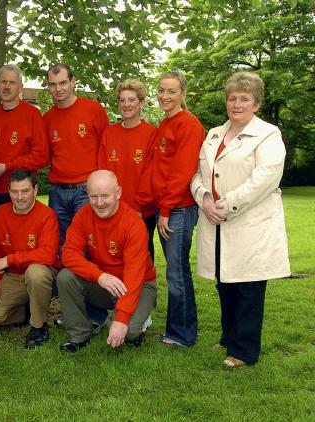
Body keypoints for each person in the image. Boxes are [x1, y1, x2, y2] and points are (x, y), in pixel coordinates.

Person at [190, 72, 290, 367]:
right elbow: (197, 173)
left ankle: (244, 350)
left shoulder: (268, 135)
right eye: (232, 98)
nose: (237, 104)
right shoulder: (213, 135)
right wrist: (204, 198)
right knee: (226, 283)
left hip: (249, 224)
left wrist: (226, 205)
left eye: (244, 99)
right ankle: (228, 336)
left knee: (248, 287)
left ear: (256, 104)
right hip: (216, 222)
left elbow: (265, 179)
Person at [57, 170, 156, 352]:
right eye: (93, 196)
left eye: (105, 196)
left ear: (118, 193)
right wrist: (100, 276)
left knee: (128, 333)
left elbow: (134, 275)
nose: (99, 203)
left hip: (138, 284)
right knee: (65, 277)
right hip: (105, 282)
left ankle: (140, 317)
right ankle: (80, 334)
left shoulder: (133, 224)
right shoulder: (83, 215)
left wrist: (122, 319)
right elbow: (69, 253)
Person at [151, 71, 205, 347]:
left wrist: (165, 210)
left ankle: (182, 334)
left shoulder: (188, 125)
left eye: (171, 91)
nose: (165, 96)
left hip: (179, 209)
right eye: (161, 91)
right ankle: (175, 330)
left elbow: (182, 171)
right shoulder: (166, 123)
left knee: (177, 272)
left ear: (183, 93)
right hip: (167, 207)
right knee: (174, 270)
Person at [0, 169, 59, 348]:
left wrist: (9, 259)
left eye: (25, 191)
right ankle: (29, 309)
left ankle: (39, 326)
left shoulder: (46, 215)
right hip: (14, 277)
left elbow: (47, 254)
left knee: (35, 272)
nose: (20, 197)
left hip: (42, 272)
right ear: (8, 192)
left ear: (35, 190)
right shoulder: (1, 212)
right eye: (15, 191)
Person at [43, 63, 110, 247]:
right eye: (53, 84)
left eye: (63, 83)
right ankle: (66, 276)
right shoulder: (47, 118)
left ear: (73, 82)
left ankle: (90, 276)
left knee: (89, 240)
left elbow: (106, 149)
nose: (58, 89)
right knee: (62, 242)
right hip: (57, 190)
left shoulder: (94, 110)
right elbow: (44, 155)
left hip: (86, 189)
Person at [0, 64, 48, 228]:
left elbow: (41, 156)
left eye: (12, 83)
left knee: (22, 242)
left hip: (21, 194)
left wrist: (8, 166)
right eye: (3, 82)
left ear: (20, 87)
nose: (7, 87)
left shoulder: (32, 114)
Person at [99, 79, 158, 262]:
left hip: (140, 211)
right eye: (122, 100)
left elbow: (150, 174)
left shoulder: (152, 134)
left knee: (141, 258)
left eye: (131, 100)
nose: (126, 105)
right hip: (112, 210)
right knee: (112, 258)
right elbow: (102, 171)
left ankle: (145, 291)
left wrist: (138, 207)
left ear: (141, 103)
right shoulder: (109, 133)